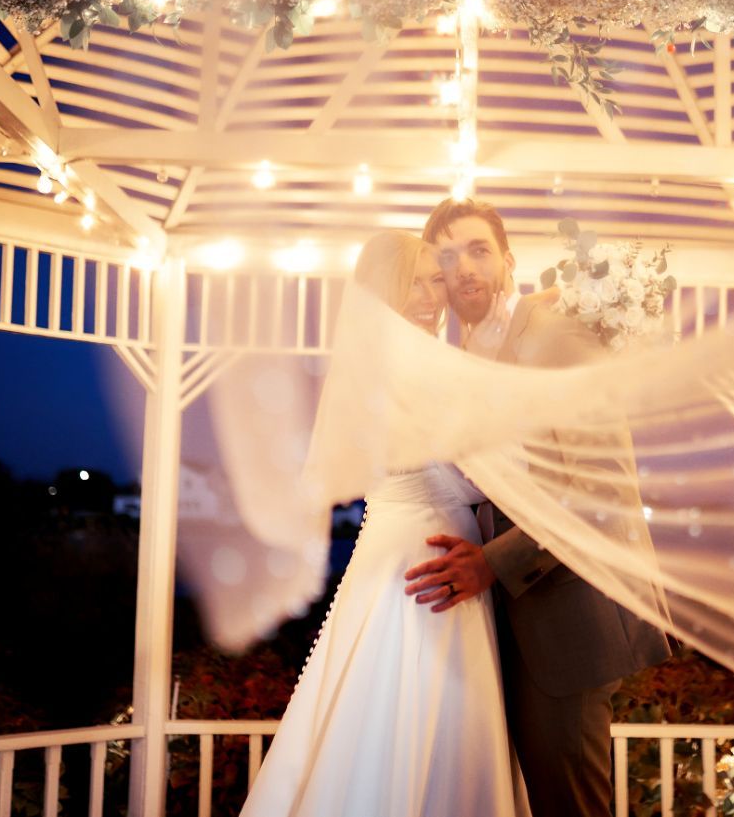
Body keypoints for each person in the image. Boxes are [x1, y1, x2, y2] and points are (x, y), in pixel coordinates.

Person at [238, 231, 528, 817]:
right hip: (425, 560)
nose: (431, 295)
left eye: (435, 279)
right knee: (419, 715)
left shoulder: (380, 362)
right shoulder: (411, 366)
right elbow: (469, 481)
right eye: (414, 282)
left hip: (404, 549)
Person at [404, 199, 672, 817]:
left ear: (508, 261)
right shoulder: (466, 357)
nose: (464, 268)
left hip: (566, 614)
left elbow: (600, 485)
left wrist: (493, 563)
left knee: (570, 804)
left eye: (478, 250)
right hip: (505, 620)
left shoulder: (553, 332)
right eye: (447, 257)